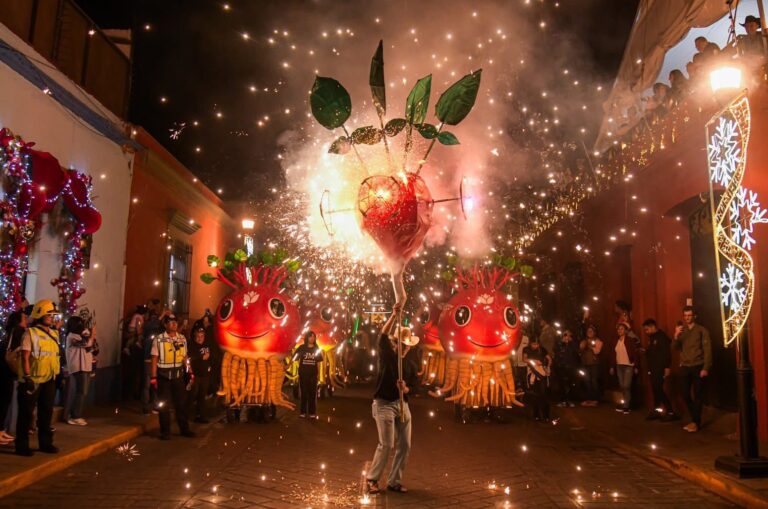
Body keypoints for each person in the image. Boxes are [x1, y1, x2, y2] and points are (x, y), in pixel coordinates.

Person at [366, 302, 419, 495]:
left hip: (402, 404)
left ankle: (394, 481)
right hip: (384, 404)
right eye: (401, 344)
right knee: (387, 443)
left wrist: (405, 389)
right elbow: (381, 336)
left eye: (407, 345)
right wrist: (393, 315)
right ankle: (372, 479)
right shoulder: (387, 355)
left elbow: (414, 386)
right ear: (396, 343)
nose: (404, 348)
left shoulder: (410, 364)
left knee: (405, 444)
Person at [15, 300, 61, 456]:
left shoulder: (54, 333)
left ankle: (45, 443)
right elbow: (25, 357)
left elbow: (54, 356)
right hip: (32, 380)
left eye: (52, 315)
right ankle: (22, 446)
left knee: (46, 413)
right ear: (40, 314)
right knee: (26, 415)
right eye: (49, 315)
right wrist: (27, 377)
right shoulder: (30, 333)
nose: (52, 318)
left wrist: (57, 377)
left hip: (49, 380)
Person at [150, 314, 195, 440]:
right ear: (165, 325)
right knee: (164, 406)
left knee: (181, 404)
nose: (174, 324)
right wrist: (153, 377)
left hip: (178, 377)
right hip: (164, 377)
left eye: (175, 321)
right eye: (170, 322)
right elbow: (154, 358)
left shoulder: (182, 339)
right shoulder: (158, 339)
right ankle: (165, 432)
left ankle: (184, 429)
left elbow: (185, 357)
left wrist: (190, 371)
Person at [674, 306, 712, 433]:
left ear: (694, 316)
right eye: (685, 316)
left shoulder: (701, 330)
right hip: (685, 366)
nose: (687, 318)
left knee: (698, 395)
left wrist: (706, 367)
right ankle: (694, 419)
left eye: (689, 315)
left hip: (698, 365)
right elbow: (674, 347)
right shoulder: (682, 331)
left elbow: (707, 351)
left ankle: (696, 422)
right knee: (684, 393)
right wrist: (676, 335)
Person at [642, 319, 676, 421]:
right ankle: (656, 411)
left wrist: (667, 367)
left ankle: (670, 411)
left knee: (659, 389)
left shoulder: (662, 337)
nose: (646, 332)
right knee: (655, 390)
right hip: (653, 368)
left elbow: (667, 354)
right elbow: (653, 352)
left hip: (660, 368)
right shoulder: (651, 338)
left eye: (647, 329)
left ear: (653, 326)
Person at [0, 311, 26, 444]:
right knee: (4, 400)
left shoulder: (8, 331)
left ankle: (2, 430)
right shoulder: (18, 331)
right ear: (18, 320)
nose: (26, 319)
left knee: (5, 401)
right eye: (24, 317)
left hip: (4, 370)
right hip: (7, 370)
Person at [65, 316, 94, 425]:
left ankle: (76, 414)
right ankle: (74, 415)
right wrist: (93, 333)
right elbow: (85, 343)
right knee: (81, 391)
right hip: (78, 366)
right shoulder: (71, 336)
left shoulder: (80, 335)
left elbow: (90, 348)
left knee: (83, 391)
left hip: (85, 366)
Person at [141, 299, 167, 414]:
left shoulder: (160, 331)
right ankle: (146, 407)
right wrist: (161, 315)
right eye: (153, 317)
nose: (154, 319)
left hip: (157, 362)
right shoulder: (148, 329)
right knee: (147, 385)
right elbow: (152, 325)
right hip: (148, 361)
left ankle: (154, 405)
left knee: (155, 385)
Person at [609, 322, 639, 414]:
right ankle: (625, 404)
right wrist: (612, 366)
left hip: (628, 365)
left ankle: (627, 406)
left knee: (626, 385)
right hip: (619, 365)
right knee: (622, 386)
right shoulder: (615, 341)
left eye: (621, 329)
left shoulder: (630, 340)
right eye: (618, 329)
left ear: (625, 331)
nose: (619, 331)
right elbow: (613, 354)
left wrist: (636, 366)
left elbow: (635, 353)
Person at [293, 330, 323, 419]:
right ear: (307, 338)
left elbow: (318, 362)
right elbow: (295, 358)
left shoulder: (317, 349)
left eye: (314, 337)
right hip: (303, 374)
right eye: (310, 336)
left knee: (312, 393)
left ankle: (312, 412)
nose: (312, 338)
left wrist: (318, 374)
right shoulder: (302, 348)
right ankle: (302, 412)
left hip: (313, 374)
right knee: (304, 393)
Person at [523, 338, 552, 421]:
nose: (535, 346)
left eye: (537, 344)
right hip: (533, 373)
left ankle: (546, 415)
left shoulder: (542, 350)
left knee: (544, 394)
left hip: (542, 373)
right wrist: (534, 361)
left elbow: (549, 359)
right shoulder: (527, 349)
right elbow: (524, 359)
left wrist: (548, 367)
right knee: (535, 394)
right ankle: (536, 414)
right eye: (533, 344)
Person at [187, 326, 211, 423]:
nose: (200, 338)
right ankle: (186, 415)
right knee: (192, 396)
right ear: (194, 336)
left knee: (202, 397)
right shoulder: (191, 346)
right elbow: (188, 360)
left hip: (205, 376)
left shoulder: (207, 345)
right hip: (195, 375)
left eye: (202, 336)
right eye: (198, 336)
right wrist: (191, 374)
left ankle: (201, 416)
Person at [553, 330, 579, 407]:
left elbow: (576, 352)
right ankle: (562, 400)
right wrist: (562, 343)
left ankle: (569, 400)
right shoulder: (558, 344)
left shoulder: (573, 344)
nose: (567, 337)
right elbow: (555, 351)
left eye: (569, 335)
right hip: (561, 367)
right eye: (565, 335)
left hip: (571, 367)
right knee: (561, 384)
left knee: (570, 384)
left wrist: (570, 342)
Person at [579, 325, 603, 406]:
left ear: (595, 333)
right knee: (587, 381)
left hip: (594, 364)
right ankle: (588, 398)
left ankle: (595, 399)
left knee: (594, 381)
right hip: (585, 364)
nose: (589, 333)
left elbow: (597, 351)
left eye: (591, 331)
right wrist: (583, 345)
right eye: (588, 331)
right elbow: (580, 348)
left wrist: (591, 346)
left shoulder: (598, 341)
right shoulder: (584, 341)